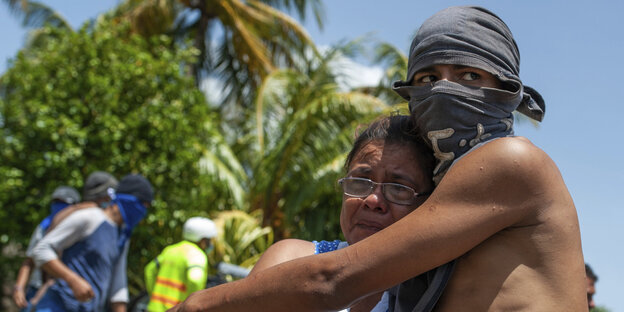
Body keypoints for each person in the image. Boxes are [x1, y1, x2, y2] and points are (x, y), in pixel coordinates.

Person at [170, 6, 586, 312]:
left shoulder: (510, 161)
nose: (443, 91)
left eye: (469, 76)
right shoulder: (445, 217)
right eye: (427, 79)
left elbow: (332, 279)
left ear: (508, 90)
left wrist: (194, 306)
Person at [250, 115, 435, 312]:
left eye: (398, 188)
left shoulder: (437, 294)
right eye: (360, 182)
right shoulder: (289, 260)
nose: (373, 201)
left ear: (429, 202)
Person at [31, 174, 154, 312]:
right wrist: (73, 280)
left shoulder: (123, 236)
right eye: (142, 205)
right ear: (129, 200)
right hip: (57, 305)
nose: (143, 211)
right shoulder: (90, 218)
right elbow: (42, 249)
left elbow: (118, 284)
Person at [12, 186, 81, 310]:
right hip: (36, 288)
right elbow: (30, 261)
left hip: (66, 291)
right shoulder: (44, 227)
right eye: (56, 202)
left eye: (63, 203)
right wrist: (19, 287)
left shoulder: (81, 227)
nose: (58, 206)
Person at [144, 217, 218, 311]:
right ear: (203, 240)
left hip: (154, 308)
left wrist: (153, 294)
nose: (210, 244)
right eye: (209, 240)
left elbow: (149, 270)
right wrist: (192, 305)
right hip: (176, 309)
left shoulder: (170, 250)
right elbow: (195, 280)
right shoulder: (197, 255)